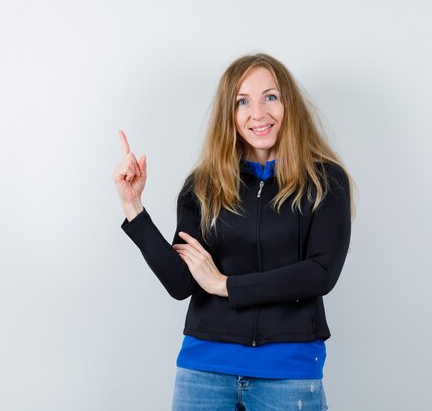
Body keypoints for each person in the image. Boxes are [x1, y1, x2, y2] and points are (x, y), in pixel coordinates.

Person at [113, 53, 355, 411]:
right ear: (230, 114)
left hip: (287, 374)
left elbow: (320, 273)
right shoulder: (203, 185)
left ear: (289, 104)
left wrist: (226, 285)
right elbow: (182, 283)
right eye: (243, 101)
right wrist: (134, 208)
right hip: (204, 371)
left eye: (270, 97)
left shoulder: (325, 181)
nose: (258, 113)